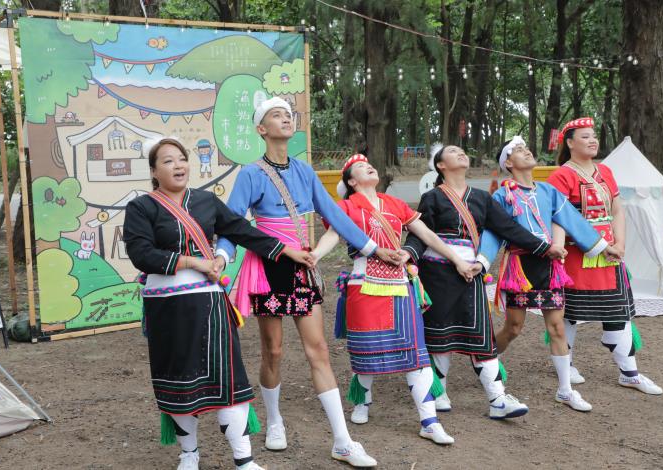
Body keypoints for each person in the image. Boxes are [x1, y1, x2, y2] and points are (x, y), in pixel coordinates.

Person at [216, 98, 398, 467]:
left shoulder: (305, 171)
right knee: (274, 351)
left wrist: (375, 249)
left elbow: (334, 216)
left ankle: (343, 441)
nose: (285, 118)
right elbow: (232, 223)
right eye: (275, 116)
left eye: (288, 114)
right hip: (268, 267)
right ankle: (275, 421)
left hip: (303, 267)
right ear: (261, 129)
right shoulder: (251, 174)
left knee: (318, 349)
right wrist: (220, 258)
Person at [123, 137, 315, 470]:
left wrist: (287, 252)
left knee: (227, 379)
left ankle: (244, 459)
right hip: (166, 308)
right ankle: (189, 454)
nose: (178, 165)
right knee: (179, 381)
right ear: (154, 171)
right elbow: (142, 255)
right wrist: (194, 262)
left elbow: (243, 231)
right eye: (168, 161)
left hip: (209, 305)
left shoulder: (206, 202)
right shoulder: (142, 208)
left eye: (181, 159)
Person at [311, 154, 477, 445]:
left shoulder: (394, 204)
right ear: (351, 181)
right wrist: (313, 256)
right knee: (365, 351)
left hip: (400, 284)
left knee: (415, 352)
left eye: (370, 164)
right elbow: (333, 235)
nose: (370, 166)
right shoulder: (347, 206)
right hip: (364, 284)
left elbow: (427, 235)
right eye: (361, 167)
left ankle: (429, 420)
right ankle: (363, 400)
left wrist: (456, 260)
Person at [401, 144, 567, 419]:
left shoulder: (481, 198)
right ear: (440, 165)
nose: (461, 153)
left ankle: (497, 399)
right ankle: (438, 390)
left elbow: (509, 228)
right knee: (440, 333)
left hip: (472, 274)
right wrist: (409, 256)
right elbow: (421, 235)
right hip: (437, 272)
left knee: (480, 334)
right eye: (452, 152)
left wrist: (543, 247)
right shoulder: (432, 198)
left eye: (462, 150)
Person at [483, 136, 621, 412]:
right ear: (508, 163)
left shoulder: (548, 192)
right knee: (513, 328)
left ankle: (565, 390)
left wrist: (604, 246)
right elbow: (493, 231)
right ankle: (484, 365)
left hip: (550, 268)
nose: (527, 151)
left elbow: (572, 220)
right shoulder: (502, 195)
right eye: (519, 150)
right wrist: (481, 262)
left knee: (557, 326)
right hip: (521, 268)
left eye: (526, 147)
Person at [547, 118, 663, 395]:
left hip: (610, 256)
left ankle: (629, 372)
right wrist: (593, 243)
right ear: (570, 143)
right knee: (569, 314)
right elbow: (559, 217)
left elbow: (617, 210)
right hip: (575, 255)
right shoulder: (560, 176)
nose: (592, 140)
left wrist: (620, 241)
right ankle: (567, 363)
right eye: (585, 136)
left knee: (618, 311)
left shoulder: (606, 172)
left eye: (594, 136)